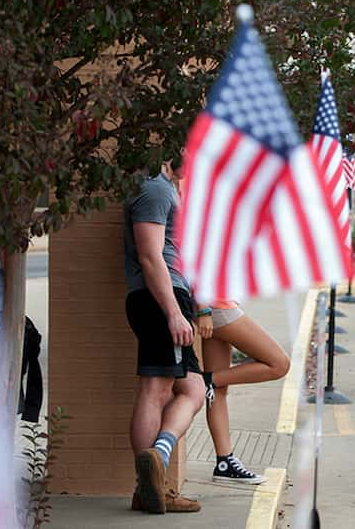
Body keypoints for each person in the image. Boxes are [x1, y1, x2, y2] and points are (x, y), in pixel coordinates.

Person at [123, 160, 206, 514]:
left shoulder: (165, 188)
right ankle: (151, 478)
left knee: (193, 389)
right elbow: (150, 255)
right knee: (156, 390)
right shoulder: (154, 188)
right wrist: (173, 313)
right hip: (160, 299)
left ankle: (155, 468)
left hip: (167, 297)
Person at [197, 299, 290, 484]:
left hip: (216, 306)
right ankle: (204, 381)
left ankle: (224, 462)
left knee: (218, 390)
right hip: (216, 308)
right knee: (280, 364)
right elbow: (196, 270)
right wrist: (204, 311)